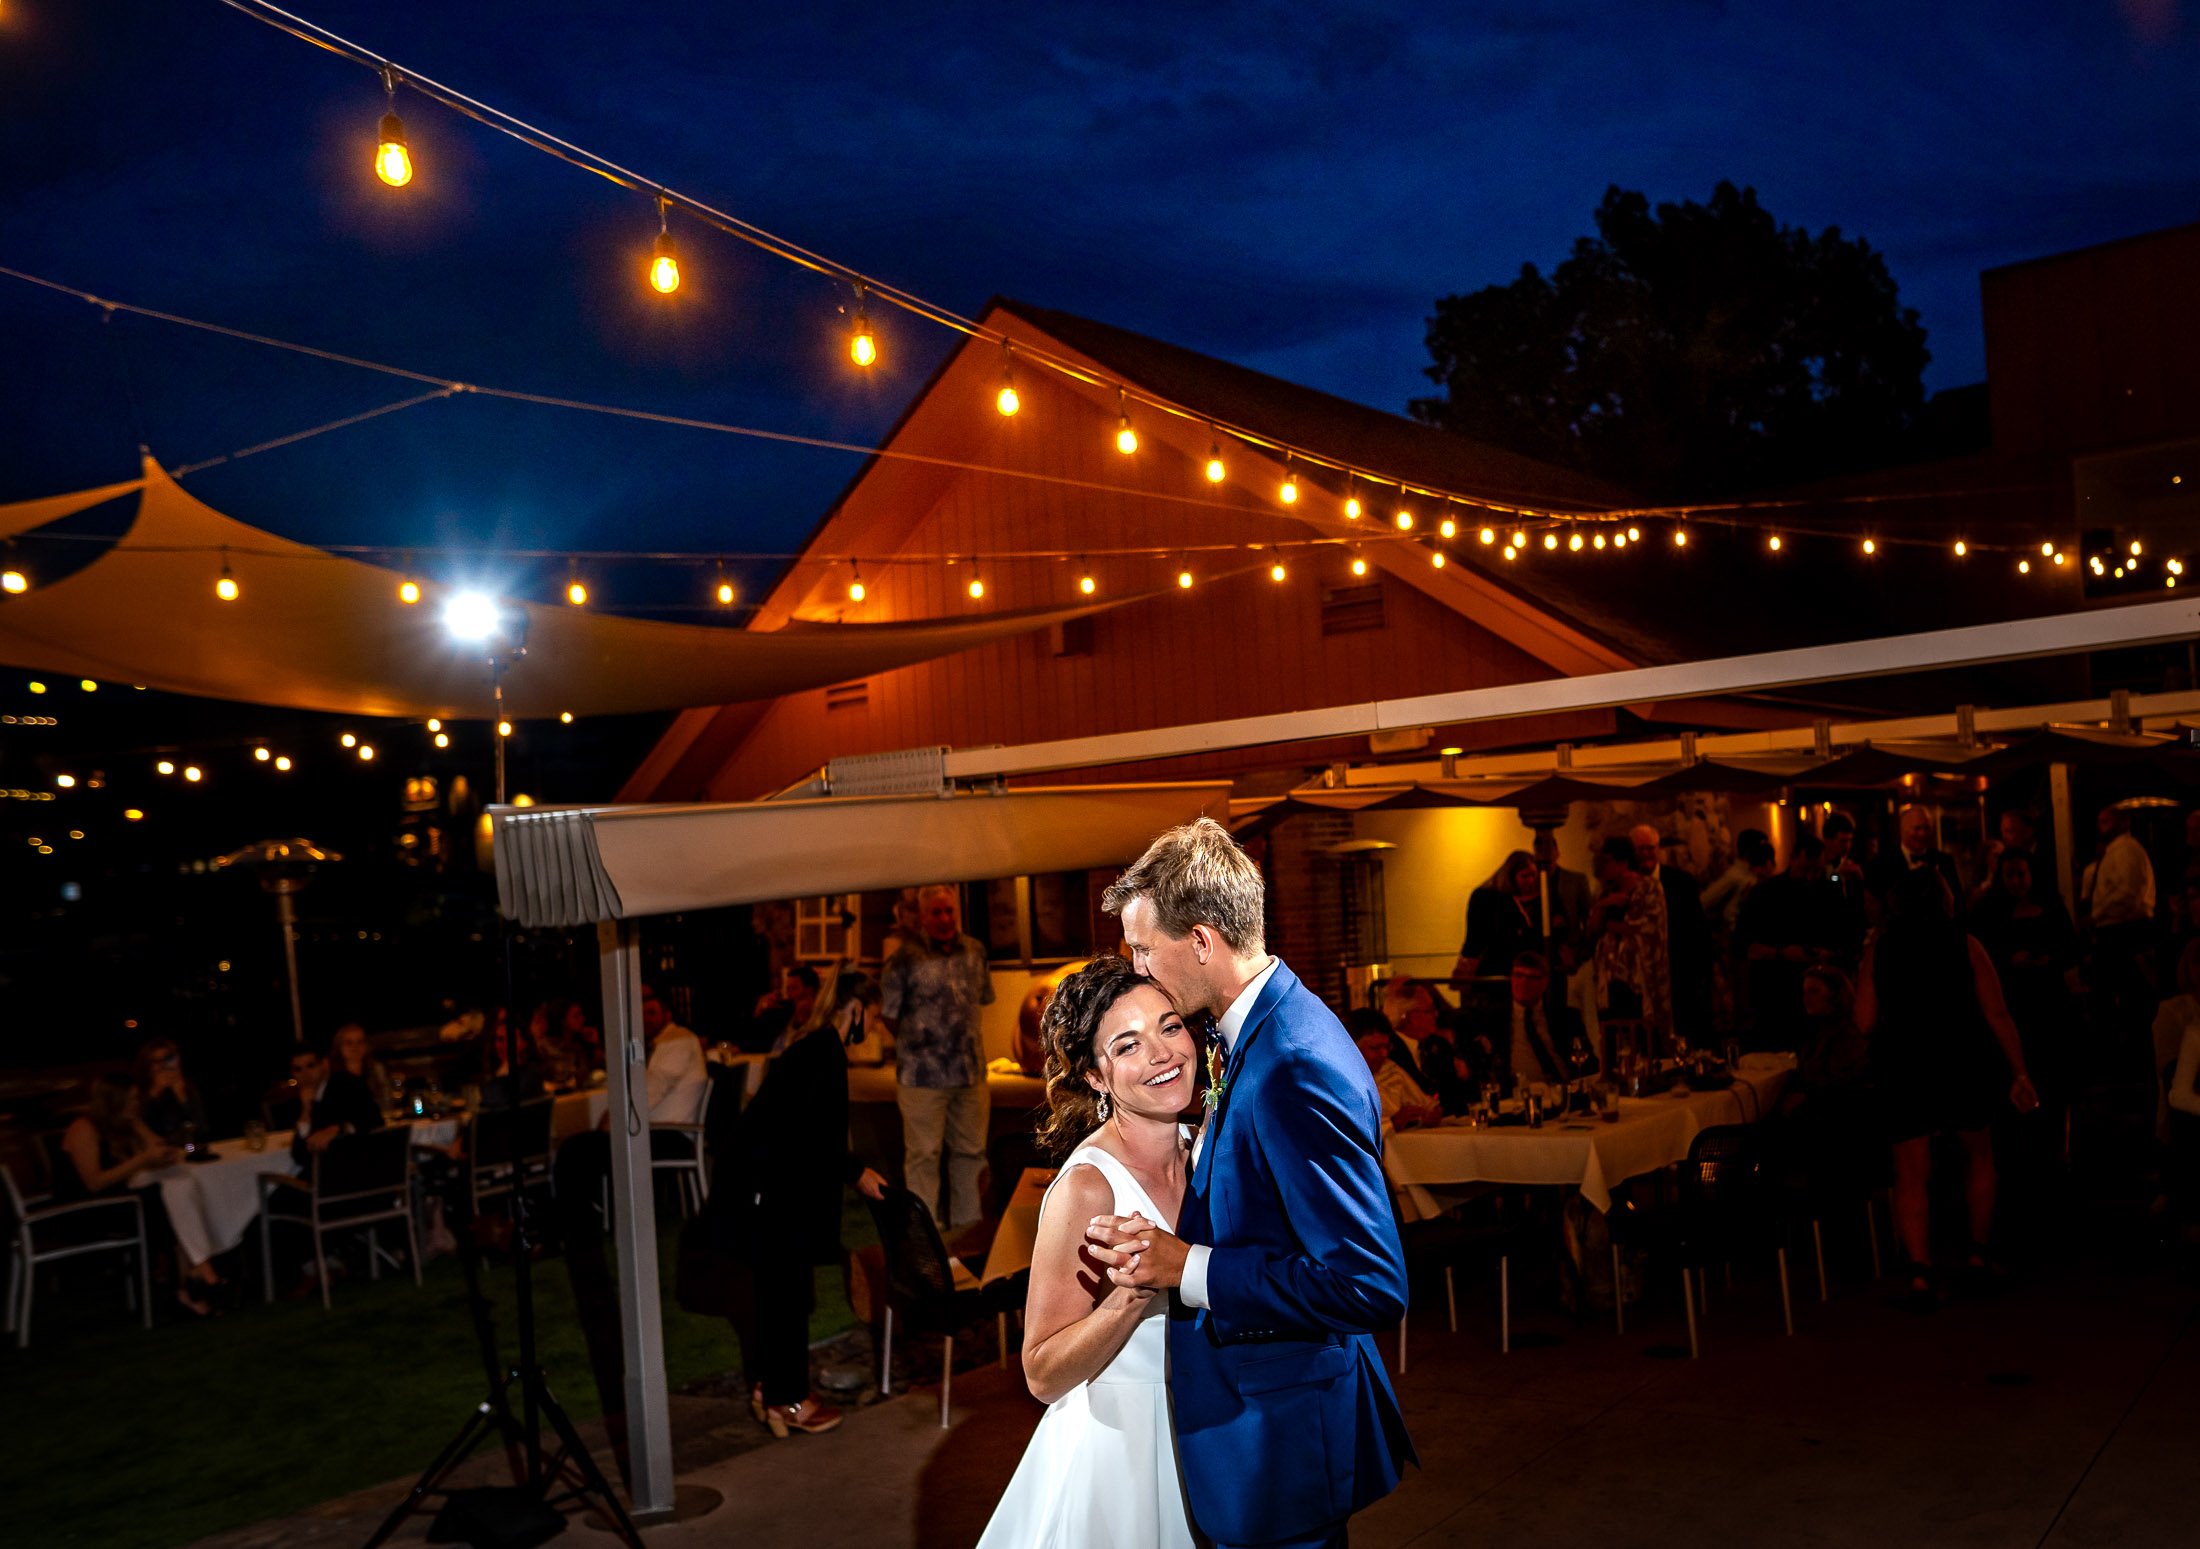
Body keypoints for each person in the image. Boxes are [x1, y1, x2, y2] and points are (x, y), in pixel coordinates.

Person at [1083, 818, 1412, 1549]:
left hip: (1278, 1439)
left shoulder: (1293, 1061)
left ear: (1201, 941)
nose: (1136, 969)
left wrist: (1187, 1266)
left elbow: (1370, 1283)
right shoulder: (1258, 1027)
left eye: (1144, 948)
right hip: (1269, 1423)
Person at [978, 955, 1199, 1549]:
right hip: (1120, 1447)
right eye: (1127, 1046)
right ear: (1096, 1078)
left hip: (1208, 1430)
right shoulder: (1088, 1186)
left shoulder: (1203, 1149)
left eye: (1170, 1026)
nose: (1162, 1054)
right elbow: (1042, 1373)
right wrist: (1129, 1298)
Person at [713, 967, 890, 1439]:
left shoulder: (809, 1049)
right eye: (872, 1016)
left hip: (767, 1193)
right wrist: (857, 1172)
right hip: (777, 1199)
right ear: (854, 1008)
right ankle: (787, 1399)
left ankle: (770, 1391)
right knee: (786, 1300)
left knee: (779, 1298)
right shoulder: (823, 1054)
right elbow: (814, 1135)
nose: (872, 1028)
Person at [1856, 867, 2040, 1309]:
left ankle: (1920, 1272)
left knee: (1911, 1171)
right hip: (1962, 1057)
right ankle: (1978, 1255)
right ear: (1942, 900)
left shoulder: (1880, 949)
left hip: (1905, 1064)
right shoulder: (1966, 944)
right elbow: (1997, 1013)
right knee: (1978, 1155)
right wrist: (2020, 1072)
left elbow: (1863, 1020)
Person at [880, 885, 995, 1228]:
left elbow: (982, 1000)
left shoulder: (975, 950)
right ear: (922, 917)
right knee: (923, 1157)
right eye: (936, 913)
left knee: (971, 1153)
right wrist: (916, 1044)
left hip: (970, 1073)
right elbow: (888, 1015)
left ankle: (967, 1230)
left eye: (949, 911)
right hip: (921, 1077)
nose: (944, 919)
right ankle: (926, 1236)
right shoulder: (903, 959)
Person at [58, 1074, 221, 1316]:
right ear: (114, 1100)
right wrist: (142, 1160)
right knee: (168, 1202)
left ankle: (196, 1279)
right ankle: (199, 1277)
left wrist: (142, 1131)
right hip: (86, 1212)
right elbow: (94, 1183)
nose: (137, 1104)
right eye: (132, 1099)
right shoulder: (84, 1128)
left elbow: (159, 1149)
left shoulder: (124, 1122)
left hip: (121, 1202)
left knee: (179, 1194)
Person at [1736, 834, 1850, 1047]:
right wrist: (1782, 953)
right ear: (1792, 859)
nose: (1810, 877)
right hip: (1777, 992)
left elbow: (1847, 939)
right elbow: (1743, 946)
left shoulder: (1830, 893)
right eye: (1805, 870)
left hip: (1823, 997)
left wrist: (1830, 954)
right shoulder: (1765, 894)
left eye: (1816, 871)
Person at [1589, 835, 1673, 1051]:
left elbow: (1646, 928)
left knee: (1646, 1038)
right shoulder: (1605, 891)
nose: (1604, 867)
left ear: (1623, 862)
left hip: (1641, 978)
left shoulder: (1649, 888)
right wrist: (1603, 906)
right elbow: (1593, 928)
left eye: (1608, 861)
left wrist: (1612, 924)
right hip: (1610, 979)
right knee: (1614, 1035)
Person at [1471, 951, 1596, 1094]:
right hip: (1516, 1098)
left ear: (1545, 982)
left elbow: (1589, 1063)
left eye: (1531, 977)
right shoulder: (1493, 1020)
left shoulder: (1566, 1017)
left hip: (1565, 1092)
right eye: (1518, 976)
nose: (1523, 982)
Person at [1633, 823, 1713, 1044]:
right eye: (1641, 849)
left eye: (1650, 848)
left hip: (1679, 971)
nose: (1647, 854)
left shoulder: (1681, 882)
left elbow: (1698, 928)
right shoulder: (1629, 886)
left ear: (1658, 849)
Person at [1451, 849, 1543, 988]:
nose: (1531, 881)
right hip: (1494, 968)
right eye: (1525, 876)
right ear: (1511, 876)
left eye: (1533, 875)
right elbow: (1475, 937)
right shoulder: (1486, 897)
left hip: (1526, 970)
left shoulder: (1540, 899)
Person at [290, 1038, 384, 1166]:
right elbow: (299, 1155)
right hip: (324, 1173)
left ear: (324, 1064)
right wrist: (305, 1112)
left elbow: (375, 1120)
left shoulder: (346, 1084)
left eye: (310, 1066)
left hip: (356, 1169)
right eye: (298, 1069)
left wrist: (339, 1129)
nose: (305, 1074)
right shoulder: (301, 1100)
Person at [1347, 1008, 1441, 1135]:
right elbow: (1347, 1132)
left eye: (1387, 1046)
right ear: (1351, 1048)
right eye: (1375, 1048)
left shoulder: (1390, 1070)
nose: (1384, 1054)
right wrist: (1393, 1123)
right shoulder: (1338, 1082)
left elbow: (1427, 1105)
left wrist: (1432, 1114)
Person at [639, 984, 708, 1125]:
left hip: (668, 1133)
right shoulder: (655, 1044)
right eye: (642, 1015)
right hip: (655, 1129)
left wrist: (614, 1116)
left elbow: (652, 1090)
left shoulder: (678, 1039)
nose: (645, 1019)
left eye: (652, 1013)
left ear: (667, 1015)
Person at [1532, 829, 1594, 967]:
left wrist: (1580, 955)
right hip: (1536, 951)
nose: (1544, 857)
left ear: (1557, 852)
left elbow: (1589, 920)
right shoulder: (1531, 881)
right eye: (1539, 852)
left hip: (1566, 953)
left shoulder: (1576, 881)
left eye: (1548, 851)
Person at [134, 1038, 209, 1147]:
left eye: (167, 1059)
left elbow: (201, 1131)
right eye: (155, 1061)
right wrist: (154, 1094)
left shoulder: (188, 1089)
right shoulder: (137, 1093)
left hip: (188, 1151)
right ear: (147, 1067)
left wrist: (183, 1098)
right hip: (155, 1155)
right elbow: (139, 1130)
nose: (162, 1066)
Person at [749, 965, 821, 1055]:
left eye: (794, 989)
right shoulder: (784, 1014)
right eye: (787, 989)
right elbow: (754, 1040)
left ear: (809, 990)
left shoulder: (821, 1019)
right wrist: (759, 1010)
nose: (789, 994)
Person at [329, 1022, 393, 1112]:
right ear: (339, 1047)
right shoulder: (333, 1077)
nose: (355, 1047)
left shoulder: (376, 1070)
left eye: (360, 1042)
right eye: (349, 1043)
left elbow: (386, 1099)